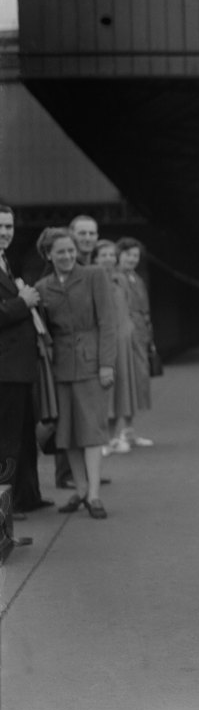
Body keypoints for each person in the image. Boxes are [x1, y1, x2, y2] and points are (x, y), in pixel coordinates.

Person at [35, 228, 116, 519]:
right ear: (48, 255)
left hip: (92, 364)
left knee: (92, 430)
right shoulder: (42, 288)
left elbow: (107, 322)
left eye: (71, 250)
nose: (68, 256)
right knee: (67, 432)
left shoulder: (95, 276)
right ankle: (80, 489)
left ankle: (93, 494)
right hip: (59, 368)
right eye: (61, 252)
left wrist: (107, 364)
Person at [0, 205, 52, 517]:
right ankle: (7, 506)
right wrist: (23, 301)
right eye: (0, 227)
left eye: (8, 227)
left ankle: (27, 495)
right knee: (7, 439)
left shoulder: (5, 261)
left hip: (17, 367)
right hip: (5, 369)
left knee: (22, 437)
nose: (5, 233)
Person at [93, 240, 137, 456]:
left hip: (122, 339)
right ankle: (101, 438)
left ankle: (112, 436)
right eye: (104, 255)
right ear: (95, 259)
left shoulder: (120, 279)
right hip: (105, 340)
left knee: (120, 388)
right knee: (104, 391)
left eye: (112, 255)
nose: (109, 259)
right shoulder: (93, 279)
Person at [116, 237, 155, 448]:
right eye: (128, 254)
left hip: (139, 335)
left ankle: (129, 430)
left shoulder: (136, 278)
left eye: (135, 255)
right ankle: (117, 434)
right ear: (118, 255)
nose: (132, 259)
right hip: (124, 336)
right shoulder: (115, 277)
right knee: (125, 382)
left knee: (137, 383)